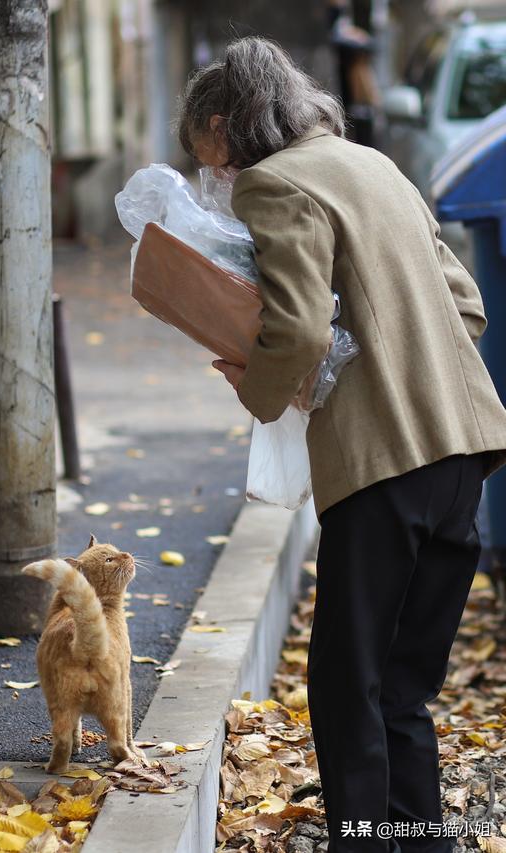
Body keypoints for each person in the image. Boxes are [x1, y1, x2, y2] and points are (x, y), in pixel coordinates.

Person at [177, 36, 506, 853]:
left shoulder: (272, 183)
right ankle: (419, 841)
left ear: (225, 126)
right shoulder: (372, 165)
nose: (209, 175)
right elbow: (466, 305)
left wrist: (261, 388)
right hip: (466, 456)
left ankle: (363, 842)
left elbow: (293, 330)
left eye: (204, 154)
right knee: (405, 686)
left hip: (383, 467)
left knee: (344, 684)